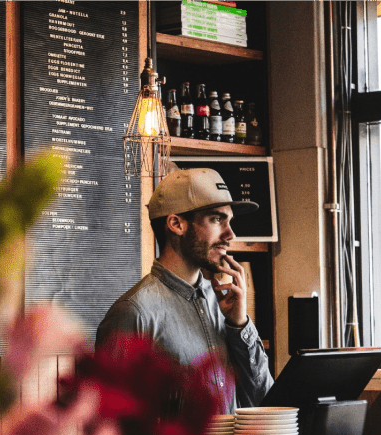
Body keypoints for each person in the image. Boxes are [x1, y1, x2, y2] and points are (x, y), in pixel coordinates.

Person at [95, 168, 273, 413]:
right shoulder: (134, 313)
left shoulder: (225, 304)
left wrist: (239, 324)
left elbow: (264, 402)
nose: (230, 234)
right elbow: (114, 422)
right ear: (176, 224)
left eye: (229, 221)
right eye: (217, 219)